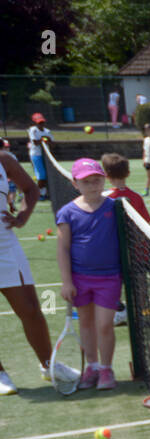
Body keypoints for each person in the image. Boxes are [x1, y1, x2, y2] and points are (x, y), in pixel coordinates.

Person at [0, 150, 76, 394]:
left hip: (5, 245)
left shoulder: (4, 160)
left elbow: (31, 190)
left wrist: (22, 216)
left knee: (30, 309)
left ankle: (48, 364)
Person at [55, 158, 123, 390]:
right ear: (75, 184)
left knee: (104, 325)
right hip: (80, 279)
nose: (93, 185)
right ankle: (92, 367)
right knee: (86, 323)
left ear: (103, 180)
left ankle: (106, 368)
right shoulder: (67, 213)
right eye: (87, 182)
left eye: (97, 180)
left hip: (110, 278)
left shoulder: (115, 207)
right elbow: (63, 249)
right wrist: (66, 282)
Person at [101, 153, 150, 325]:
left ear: (106, 175)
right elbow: (146, 225)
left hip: (113, 252)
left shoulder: (103, 199)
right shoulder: (136, 197)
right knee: (139, 281)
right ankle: (137, 314)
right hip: (137, 250)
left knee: (111, 282)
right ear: (128, 173)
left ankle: (120, 310)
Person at [27, 113, 53, 200]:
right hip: (36, 155)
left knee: (47, 176)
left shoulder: (47, 131)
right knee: (41, 175)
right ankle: (37, 193)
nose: (41, 124)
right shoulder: (33, 130)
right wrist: (43, 139)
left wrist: (47, 139)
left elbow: (52, 142)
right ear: (35, 123)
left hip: (46, 156)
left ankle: (44, 193)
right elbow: (35, 142)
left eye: (42, 122)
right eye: (39, 122)